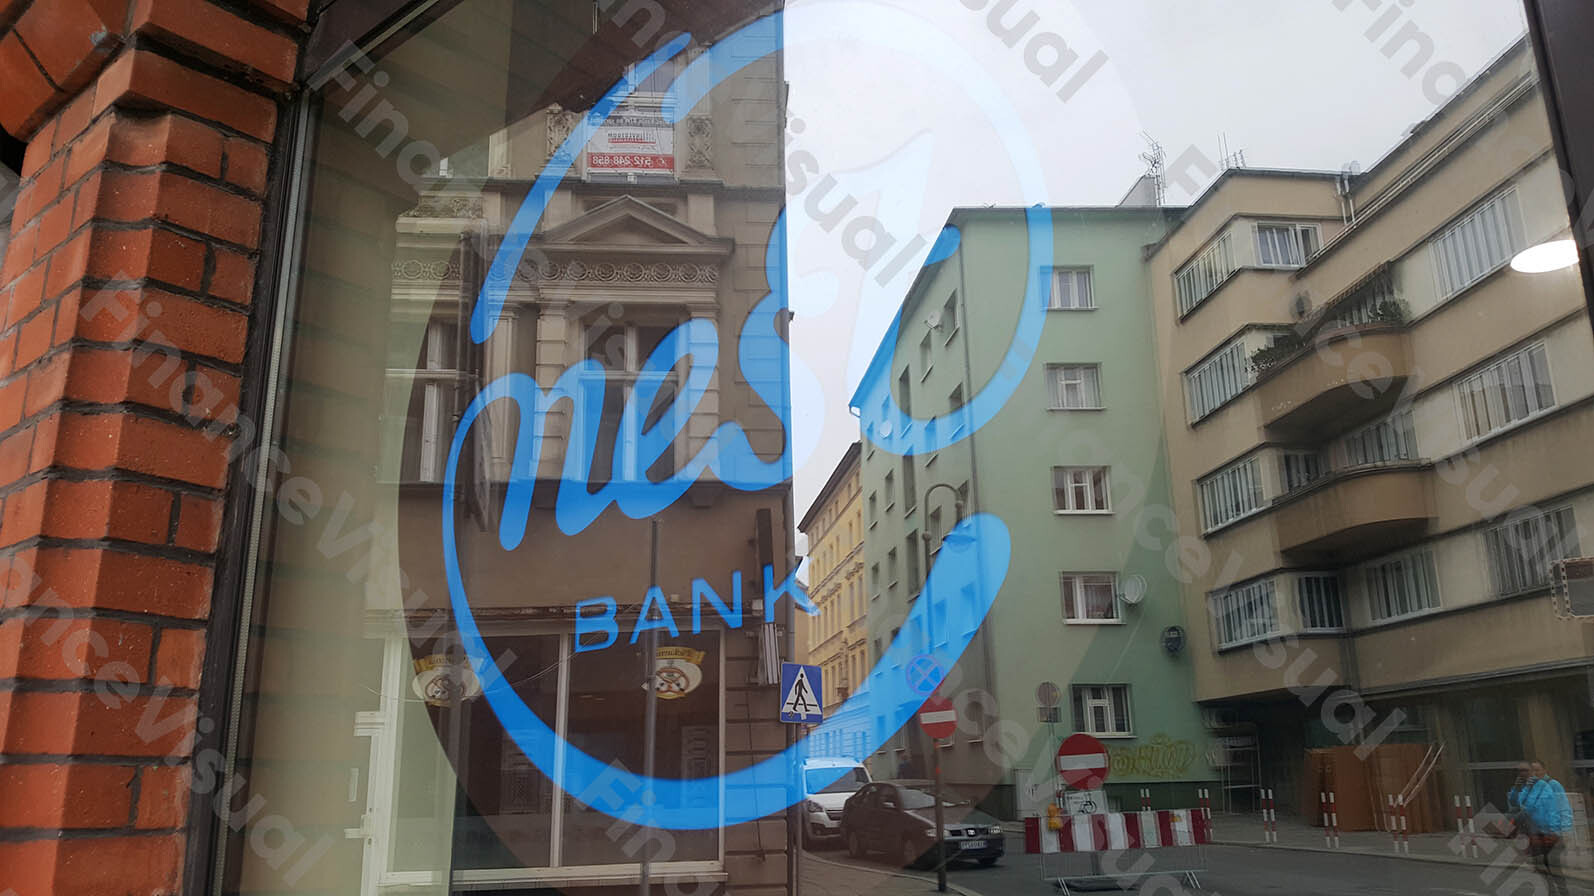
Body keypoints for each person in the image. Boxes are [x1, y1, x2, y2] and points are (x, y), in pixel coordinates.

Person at [1511, 760, 1573, 896]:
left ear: (1544, 770)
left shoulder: (1553, 784)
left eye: (1537, 770)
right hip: (1535, 833)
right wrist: (1521, 788)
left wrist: (1565, 830)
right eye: (1532, 771)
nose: (1535, 773)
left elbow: (1564, 807)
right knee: (1540, 864)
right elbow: (1519, 804)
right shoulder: (1530, 787)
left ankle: (1563, 892)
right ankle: (1551, 891)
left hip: (1553, 832)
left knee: (1553, 863)